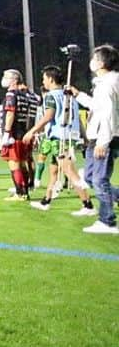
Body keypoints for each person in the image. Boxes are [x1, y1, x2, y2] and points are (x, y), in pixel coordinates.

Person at [24, 65, 92, 212]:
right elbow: (78, 120)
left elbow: (48, 117)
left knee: (69, 171)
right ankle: (46, 200)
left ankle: (87, 204)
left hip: (59, 138)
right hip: (68, 136)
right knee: (54, 170)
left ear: (50, 78)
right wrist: (84, 136)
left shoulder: (51, 96)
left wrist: (32, 131)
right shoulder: (70, 96)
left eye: (44, 78)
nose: (43, 82)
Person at [68, 44, 119, 234]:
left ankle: (107, 221)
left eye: (95, 58)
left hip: (103, 136)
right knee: (90, 178)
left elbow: (107, 114)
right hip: (98, 135)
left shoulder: (108, 84)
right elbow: (96, 107)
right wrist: (78, 94)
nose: (92, 61)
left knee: (99, 180)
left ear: (102, 62)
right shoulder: (105, 83)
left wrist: (103, 142)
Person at [0, 69, 33, 201]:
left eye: (6, 77)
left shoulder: (11, 95)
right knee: (22, 163)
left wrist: (7, 132)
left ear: (14, 80)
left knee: (14, 163)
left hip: (14, 134)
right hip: (22, 132)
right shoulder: (23, 95)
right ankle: (25, 191)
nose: (4, 79)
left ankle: (20, 193)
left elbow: (10, 113)